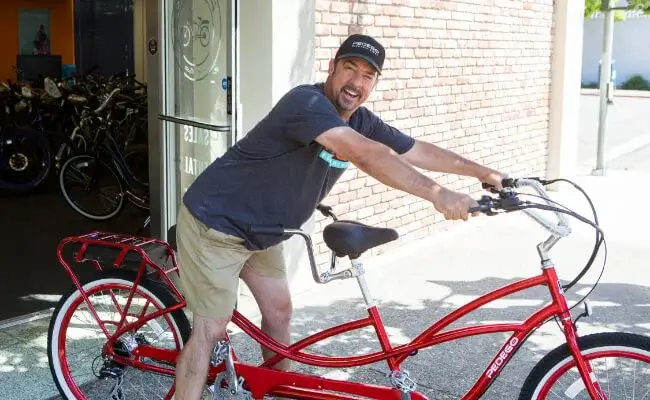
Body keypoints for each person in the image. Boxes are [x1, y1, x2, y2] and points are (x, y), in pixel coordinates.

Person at [173, 33, 506, 399]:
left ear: (374, 83)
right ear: (332, 68)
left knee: (280, 312)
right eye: (350, 69)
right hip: (215, 223)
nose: (356, 82)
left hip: (263, 230)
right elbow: (365, 154)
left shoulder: (361, 120)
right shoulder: (307, 103)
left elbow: (416, 150)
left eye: (367, 75)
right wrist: (437, 194)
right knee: (211, 329)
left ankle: (280, 391)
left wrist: (484, 173)